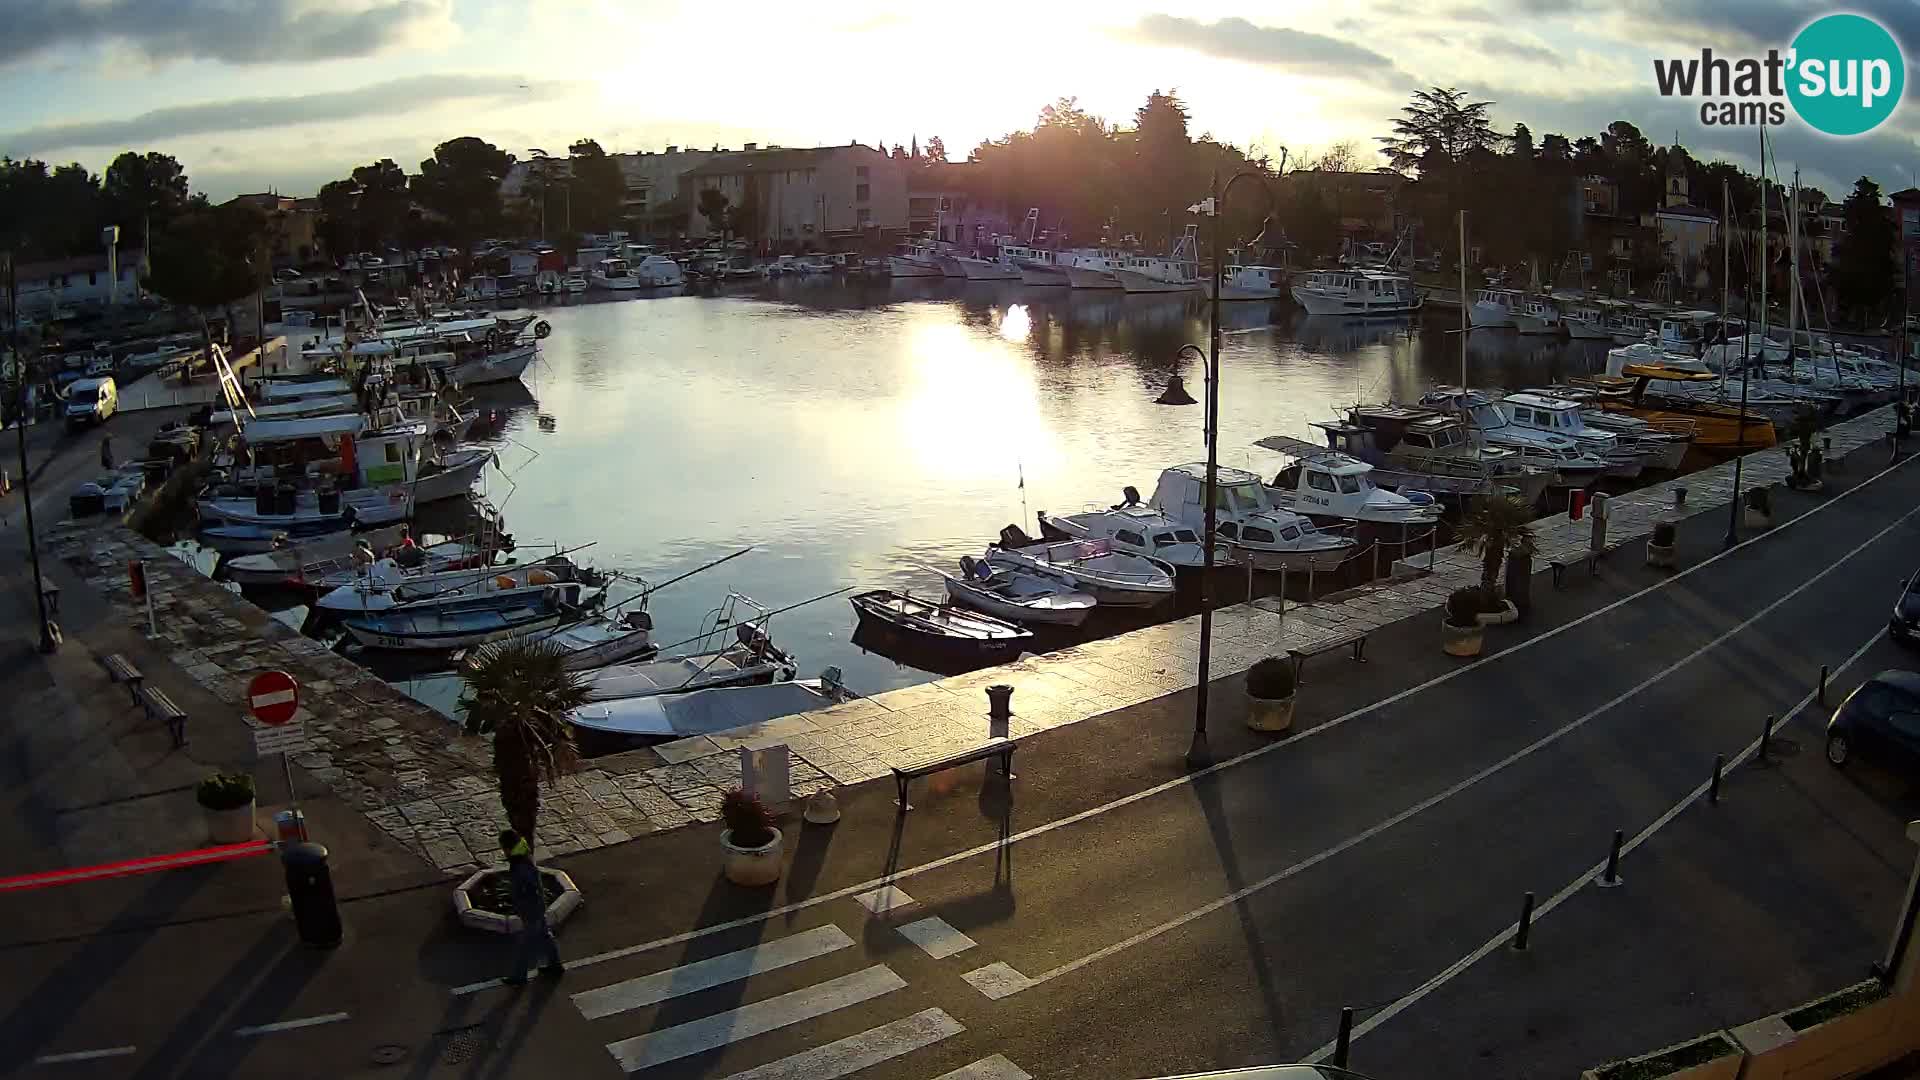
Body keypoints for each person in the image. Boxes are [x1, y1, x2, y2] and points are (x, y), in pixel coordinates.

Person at [499, 829, 564, 985]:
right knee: (544, 934)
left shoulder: (519, 864)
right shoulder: (522, 856)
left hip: (531, 909)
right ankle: (555, 965)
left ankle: (519, 977)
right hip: (536, 906)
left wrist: (522, 905)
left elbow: (528, 887)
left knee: (525, 943)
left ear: (508, 847)